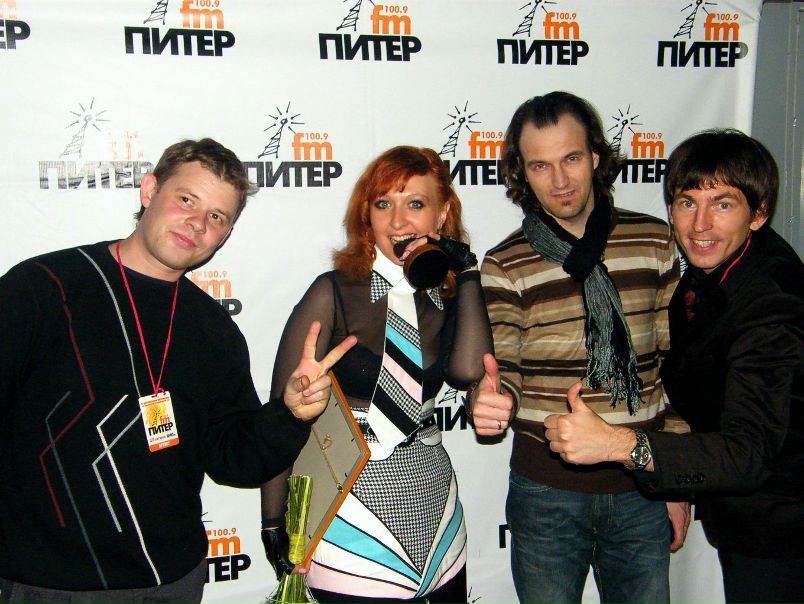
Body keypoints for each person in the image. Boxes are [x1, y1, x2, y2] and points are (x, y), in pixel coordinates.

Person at [0, 138, 354, 604]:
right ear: (149, 190)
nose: (197, 223)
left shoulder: (214, 331)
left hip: (171, 581)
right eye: (186, 199)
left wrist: (289, 414)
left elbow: (233, 459)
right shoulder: (45, 287)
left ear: (225, 235)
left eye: (217, 217)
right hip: (49, 583)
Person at [544, 129, 804, 604]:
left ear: (759, 213)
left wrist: (619, 444)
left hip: (784, 534)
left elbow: (747, 453)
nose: (700, 225)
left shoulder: (772, 303)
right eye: (687, 203)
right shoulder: (709, 275)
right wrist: (676, 485)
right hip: (747, 521)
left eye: (722, 204)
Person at [472, 91, 689, 604]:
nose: (560, 180)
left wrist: (677, 480)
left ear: (594, 155)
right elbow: (503, 367)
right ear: (522, 173)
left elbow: (677, 369)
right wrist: (490, 398)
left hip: (641, 483)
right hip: (546, 493)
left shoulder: (654, 241)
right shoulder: (505, 262)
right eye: (540, 166)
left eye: (570, 158)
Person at [260, 146, 492, 603]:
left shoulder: (445, 297)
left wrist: (466, 269)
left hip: (436, 505)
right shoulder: (333, 292)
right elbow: (279, 416)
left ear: (442, 213)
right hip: (349, 509)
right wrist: (274, 522)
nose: (398, 221)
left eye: (416, 203)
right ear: (367, 216)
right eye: (383, 204)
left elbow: (469, 370)